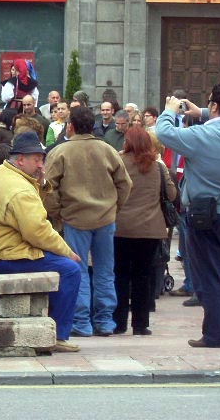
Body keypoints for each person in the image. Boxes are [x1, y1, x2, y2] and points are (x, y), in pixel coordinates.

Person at [155, 83, 220, 349]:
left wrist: (170, 110)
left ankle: (215, 335)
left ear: (214, 106)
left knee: (213, 275)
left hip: (209, 217)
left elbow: (164, 132)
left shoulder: (200, 136)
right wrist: (202, 111)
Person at [0, 130, 83, 353]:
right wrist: (67, 251)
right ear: (20, 160)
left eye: (42, 159)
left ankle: (50, 327)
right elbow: (37, 231)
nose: (41, 165)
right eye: (36, 160)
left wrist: (42, 182)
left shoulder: (1, 173)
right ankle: (57, 335)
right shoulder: (19, 189)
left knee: (60, 264)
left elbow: (32, 215)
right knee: (70, 270)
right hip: (5, 256)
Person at [44, 104, 133, 338]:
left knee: (79, 270)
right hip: (105, 218)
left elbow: (48, 188)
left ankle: (81, 321)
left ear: (70, 126)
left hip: (74, 218)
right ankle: (104, 320)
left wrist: (57, 212)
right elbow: (125, 184)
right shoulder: (107, 150)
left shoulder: (60, 152)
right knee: (105, 270)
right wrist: (114, 207)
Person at [113, 125, 176, 335]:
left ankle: (119, 322)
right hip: (150, 228)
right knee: (143, 275)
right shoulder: (157, 166)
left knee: (120, 275)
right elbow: (172, 194)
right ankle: (140, 324)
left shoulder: (119, 162)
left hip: (121, 227)